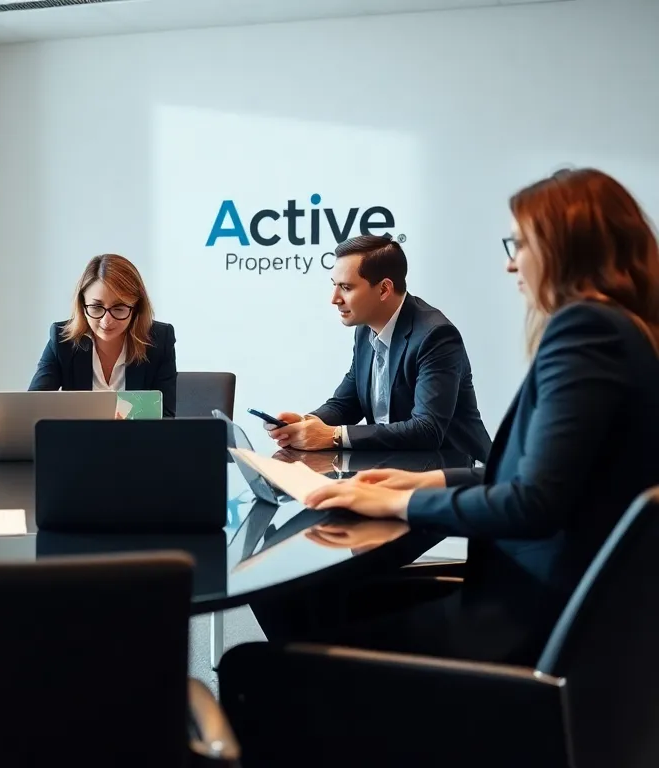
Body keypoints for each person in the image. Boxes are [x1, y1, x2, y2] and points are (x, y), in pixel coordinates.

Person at [290, 168, 659, 664]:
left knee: (270, 648)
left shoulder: (586, 331)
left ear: (564, 249)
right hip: (557, 606)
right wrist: (422, 483)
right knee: (308, 605)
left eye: (519, 246)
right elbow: (542, 478)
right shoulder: (629, 330)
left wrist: (391, 504)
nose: (512, 267)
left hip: (523, 618)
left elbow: (532, 504)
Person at [266, 235, 492, 461]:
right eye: (334, 285)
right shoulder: (365, 329)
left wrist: (334, 435)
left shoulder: (435, 336)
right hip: (394, 467)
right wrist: (306, 423)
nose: (334, 299)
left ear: (384, 289)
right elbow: (346, 403)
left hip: (455, 473)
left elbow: (427, 430)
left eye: (346, 287)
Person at [28, 253, 178, 418]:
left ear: (136, 308)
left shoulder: (159, 341)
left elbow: (166, 417)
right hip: (78, 442)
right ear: (82, 304)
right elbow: (33, 408)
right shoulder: (62, 340)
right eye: (96, 307)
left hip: (138, 443)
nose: (107, 321)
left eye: (119, 308)